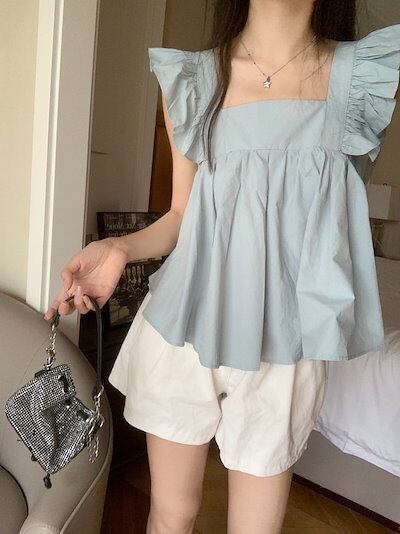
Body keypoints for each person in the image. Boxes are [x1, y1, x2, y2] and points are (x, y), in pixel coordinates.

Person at [44, 0, 400, 532]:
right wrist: (121, 248)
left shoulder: (362, 79)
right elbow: (181, 215)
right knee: (171, 516)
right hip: (184, 327)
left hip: (286, 346)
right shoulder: (194, 80)